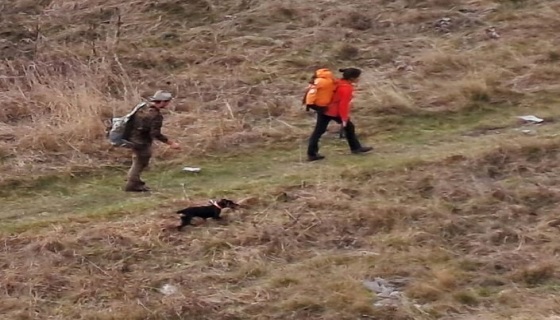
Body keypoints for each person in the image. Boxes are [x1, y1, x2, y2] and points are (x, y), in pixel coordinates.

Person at [307, 68, 372, 161]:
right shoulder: (346, 88)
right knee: (348, 127)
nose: (359, 79)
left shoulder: (337, 82)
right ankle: (356, 148)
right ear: (352, 78)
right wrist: (344, 119)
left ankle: (312, 153)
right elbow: (343, 105)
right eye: (358, 77)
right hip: (333, 112)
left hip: (324, 109)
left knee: (319, 131)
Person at [124, 90, 180, 192]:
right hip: (142, 142)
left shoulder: (142, 108)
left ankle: (134, 181)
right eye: (167, 102)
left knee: (137, 161)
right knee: (140, 163)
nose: (168, 104)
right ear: (163, 102)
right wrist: (171, 143)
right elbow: (155, 134)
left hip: (132, 138)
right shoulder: (156, 116)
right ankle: (132, 185)